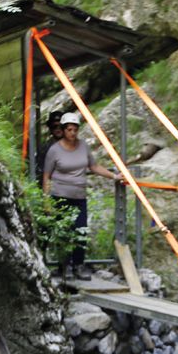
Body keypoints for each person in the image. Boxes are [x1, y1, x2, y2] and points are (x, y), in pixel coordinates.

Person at [42, 113, 117, 275]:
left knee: (81, 231)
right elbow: (46, 176)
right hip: (60, 197)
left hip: (79, 197)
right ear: (63, 130)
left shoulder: (83, 146)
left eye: (75, 129)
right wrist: (47, 201)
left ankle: (78, 265)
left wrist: (114, 176)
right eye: (69, 129)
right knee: (64, 233)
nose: (73, 133)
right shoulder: (54, 150)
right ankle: (64, 266)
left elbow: (94, 167)